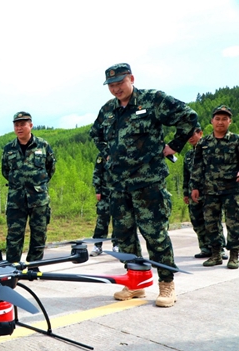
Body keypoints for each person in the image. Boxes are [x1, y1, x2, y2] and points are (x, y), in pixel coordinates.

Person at [89, 63, 200, 307]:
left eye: (120, 82)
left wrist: (174, 146)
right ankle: (136, 283)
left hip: (148, 182)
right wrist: (108, 154)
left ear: (131, 78)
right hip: (118, 186)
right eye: (111, 85)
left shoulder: (153, 100)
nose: (116, 89)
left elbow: (188, 117)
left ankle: (167, 283)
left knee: (155, 235)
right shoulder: (108, 110)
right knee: (124, 237)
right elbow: (95, 134)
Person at [2, 111, 56, 263]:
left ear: (30, 125)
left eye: (23, 124)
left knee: (39, 234)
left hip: (38, 199)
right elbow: (5, 171)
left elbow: (50, 168)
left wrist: (37, 185)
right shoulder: (8, 148)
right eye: (16, 125)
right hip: (16, 199)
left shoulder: (43, 145)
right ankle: (12, 266)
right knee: (14, 235)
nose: (19, 128)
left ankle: (33, 266)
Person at [190, 105, 239, 269]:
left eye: (224, 119)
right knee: (211, 223)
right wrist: (194, 187)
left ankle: (234, 255)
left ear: (230, 121)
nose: (220, 122)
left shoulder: (236, 140)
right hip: (210, 189)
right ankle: (216, 254)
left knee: (234, 223)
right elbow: (197, 166)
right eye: (217, 119)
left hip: (232, 189)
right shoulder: (203, 143)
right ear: (212, 121)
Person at [183, 128, 228, 261]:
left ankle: (219, 249)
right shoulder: (189, 155)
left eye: (193, 134)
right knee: (197, 221)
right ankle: (205, 248)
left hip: (210, 191)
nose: (190, 138)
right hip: (194, 193)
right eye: (188, 136)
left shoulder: (210, 149)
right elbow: (186, 176)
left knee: (213, 221)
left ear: (200, 133)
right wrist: (185, 192)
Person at [89, 153, 119, 256]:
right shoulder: (102, 154)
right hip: (105, 193)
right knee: (102, 220)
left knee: (118, 220)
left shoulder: (121, 150)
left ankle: (117, 245)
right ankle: (97, 245)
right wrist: (98, 190)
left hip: (119, 192)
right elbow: (97, 172)